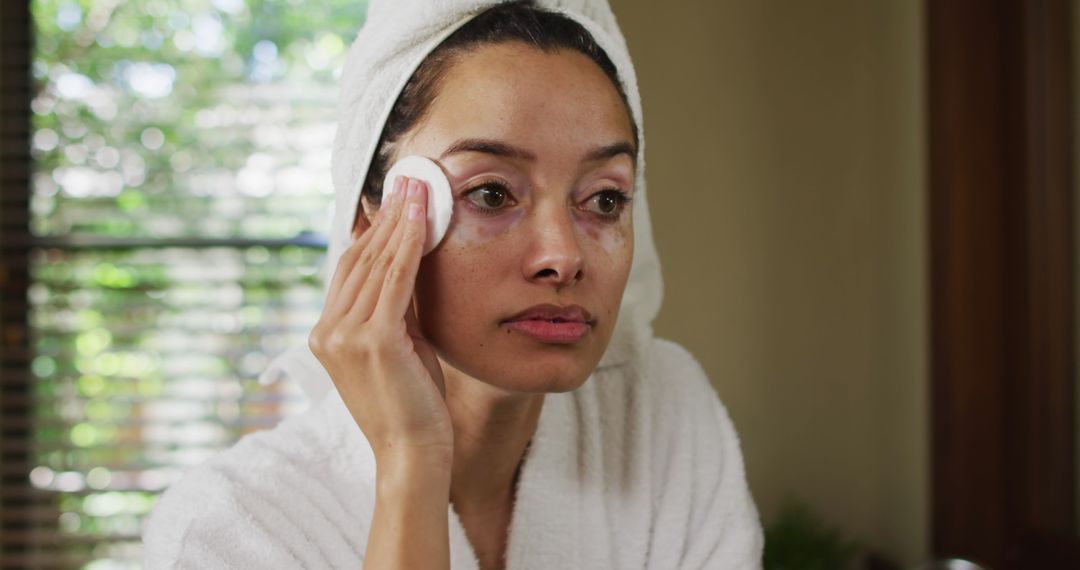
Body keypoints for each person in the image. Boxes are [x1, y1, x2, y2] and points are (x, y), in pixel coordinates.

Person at [142, 1, 764, 568]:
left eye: (604, 199)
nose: (563, 257)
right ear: (373, 221)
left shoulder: (663, 415)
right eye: (491, 193)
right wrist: (410, 459)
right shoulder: (229, 527)